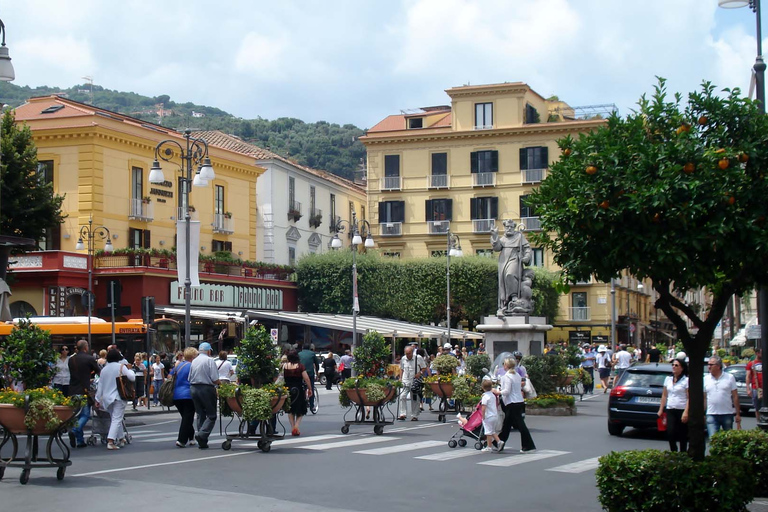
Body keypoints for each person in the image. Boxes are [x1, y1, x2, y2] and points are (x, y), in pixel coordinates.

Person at [95, 349, 135, 450]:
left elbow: (100, 386)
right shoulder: (121, 367)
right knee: (117, 419)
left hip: (107, 398)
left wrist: (97, 399)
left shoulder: (104, 369)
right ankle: (111, 441)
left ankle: (121, 438)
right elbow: (132, 377)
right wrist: (129, 369)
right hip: (118, 397)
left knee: (115, 418)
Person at [491, 219, 532, 315]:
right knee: (503, 282)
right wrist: (494, 235)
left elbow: (527, 249)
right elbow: (496, 248)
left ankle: (514, 297)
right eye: (507, 227)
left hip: (514, 260)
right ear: (504, 228)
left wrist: (526, 257)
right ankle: (505, 302)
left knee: (510, 275)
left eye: (511, 227)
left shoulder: (519, 237)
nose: (509, 229)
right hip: (503, 262)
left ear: (514, 228)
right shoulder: (503, 239)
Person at [495, 357, 535, 453]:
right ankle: (499, 442)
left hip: (511, 403)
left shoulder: (506, 377)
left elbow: (506, 391)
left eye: (504, 364)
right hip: (518, 401)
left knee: (520, 425)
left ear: (506, 365)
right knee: (507, 424)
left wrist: (497, 392)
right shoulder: (517, 375)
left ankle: (528, 445)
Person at [68, 339, 100, 448]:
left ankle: (80, 441)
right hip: (83, 390)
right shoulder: (89, 358)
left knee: (77, 416)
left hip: (72, 390)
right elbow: (98, 371)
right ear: (86, 348)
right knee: (85, 415)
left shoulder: (71, 360)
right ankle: (74, 430)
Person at [188, 342, 221, 449]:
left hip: (194, 388)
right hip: (206, 388)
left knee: (200, 413)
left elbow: (189, 377)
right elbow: (215, 379)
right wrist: (221, 385)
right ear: (209, 351)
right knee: (211, 415)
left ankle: (202, 441)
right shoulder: (209, 360)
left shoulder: (194, 361)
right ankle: (202, 434)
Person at [704, 355, 741, 437]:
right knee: (713, 440)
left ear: (718, 366)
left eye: (711, 365)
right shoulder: (706, 379)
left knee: (728, 441)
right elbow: (704, 398)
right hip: (711, 414)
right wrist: (703, 413)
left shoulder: (729, 377)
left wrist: (738, 414)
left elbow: (735, 396)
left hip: (727, 414)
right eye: (708, 364)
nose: (709, 367)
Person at [657, 358, 689, 452]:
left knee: (682, 433)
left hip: (681, 409)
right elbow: (664, 395)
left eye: (676, 365)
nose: (674, 367)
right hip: (670, 408)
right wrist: (661, 409)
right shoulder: (668, 379)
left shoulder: (686, 380)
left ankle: (683, 452)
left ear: (682, 368)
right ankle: (673, 452)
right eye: (673, 365)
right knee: (670, 432)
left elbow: (689, 397)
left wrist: (686, 412)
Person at [170, 347, 197, 448]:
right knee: (187, 418)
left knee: (186, 417)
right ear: (193, 356)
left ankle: (191, 436)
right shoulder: (192, 366)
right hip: (188, 394)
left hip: (176, 395)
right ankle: (181, 440)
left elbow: (169, 376)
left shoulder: (178, 365)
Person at [283, 349, 312, 436]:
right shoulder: (300, 366)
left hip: (287, 388)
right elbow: (306, 378)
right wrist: (310, 388)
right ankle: (296, 426)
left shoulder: (284, 366)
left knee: (290, 409)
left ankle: (292, 427)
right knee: (301, 409)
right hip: (298, 389)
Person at [398, 345, 426, 421]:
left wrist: (419, 373)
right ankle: (402, 414)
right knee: (402, 396)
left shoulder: (418, 358)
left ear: (412, 352)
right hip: (405, 380)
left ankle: (415, 415)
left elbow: (424, 368)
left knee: (414, 398)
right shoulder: (403, 358)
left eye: (409, 353)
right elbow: (401, 369)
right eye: (406, 354)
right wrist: (400, 377)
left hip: (414, 380)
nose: (408, 355)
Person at [480, 379, 503, 453]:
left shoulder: (485, 397)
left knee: (488, 432)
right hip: (494, 415)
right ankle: (499, 441)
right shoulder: (493, 396)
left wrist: (483, 416)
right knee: (492, 430)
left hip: (488, 416)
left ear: (483, 387)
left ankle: (489, 446)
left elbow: (483, 408)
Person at [298, 343, 319, 412]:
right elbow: (316, 363)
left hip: (300, 373)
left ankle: (302, 402)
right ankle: (312, 406)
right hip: (310, 373)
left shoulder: (299, 354)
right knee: (311, 388)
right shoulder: (312, 354)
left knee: (301, 388)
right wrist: (317, 371)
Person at [746, 348, 763, 418]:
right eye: (761, 353)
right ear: (757, 353)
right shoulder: (751, 364)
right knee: (757, 408)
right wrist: (748, 389)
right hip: (756, 388)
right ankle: (759, 423)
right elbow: (748, 376)